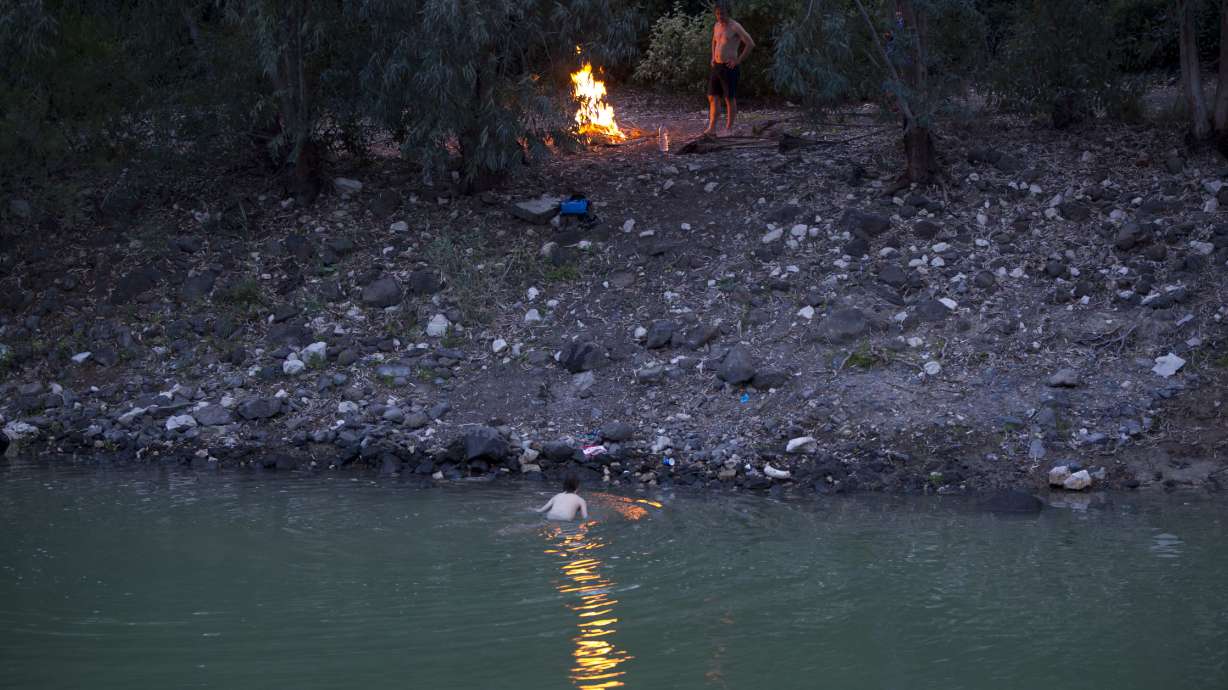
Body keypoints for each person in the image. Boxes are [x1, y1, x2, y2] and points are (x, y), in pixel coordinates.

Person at [705, 1, 755, 137]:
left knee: (729, 98)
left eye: (722, 14)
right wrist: (713, 56)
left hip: (729, 67)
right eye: (717, 14)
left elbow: (750, 43)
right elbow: (714, 41)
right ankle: (712, 128)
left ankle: (728, 129)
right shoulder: (716, 25)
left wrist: (737, 61)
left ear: (728, 13)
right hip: (716, 66)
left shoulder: (735, 26)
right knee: (712, 96)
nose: (720, 16)